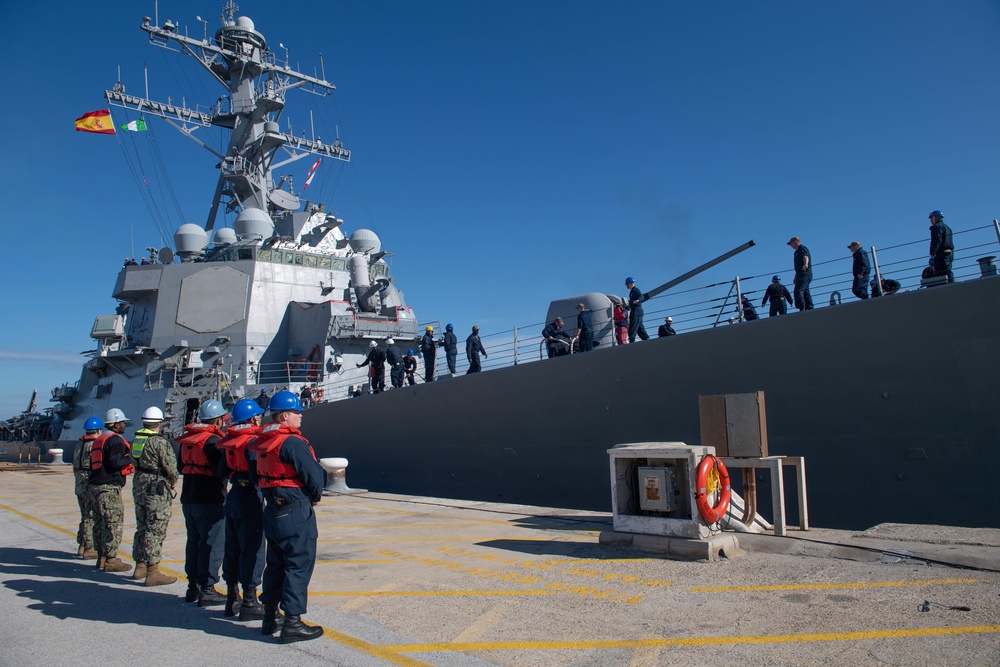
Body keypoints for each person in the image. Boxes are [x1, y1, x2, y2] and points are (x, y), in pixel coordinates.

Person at [249, 390, 327, 643]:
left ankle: (270, 617)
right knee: (298, 564)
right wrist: (314, 495)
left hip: (272, 509)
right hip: (295, 511)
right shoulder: (292, 442)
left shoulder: (261, 442)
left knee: (276, 563)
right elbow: (314, 476)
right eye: (296, 413)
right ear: (285, 416)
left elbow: (254, 476)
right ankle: (292, 622)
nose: (300, 417)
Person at [215, 398, 267, 620]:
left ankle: (231, 598)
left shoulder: (229, 441)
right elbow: (257, 472)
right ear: (254, 418)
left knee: (233, 547)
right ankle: (249, 601)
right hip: (250, 498)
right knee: (253, 549)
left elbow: (221, 471)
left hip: (234, 495)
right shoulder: (253, 441)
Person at [177, 399, 228, 607]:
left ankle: (192, 587)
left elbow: (181, 467)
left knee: (194, 543)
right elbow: (221, 471)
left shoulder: (187, 441)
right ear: (217, 421)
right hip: (210, 499)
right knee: (212, 544)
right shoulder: (213, 443)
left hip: (188, 498)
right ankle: (207, 589)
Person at [130, 406, 179, 586]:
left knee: (141, 525)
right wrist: (173, 480)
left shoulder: (137, 439)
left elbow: (132, 460)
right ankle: (153, 571)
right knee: (155, 527)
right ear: (159, 423)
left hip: (139, 483)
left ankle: (139, 566)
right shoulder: (159, 442)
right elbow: (170, 466)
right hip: (156, 486)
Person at [88, 408, 135, 573]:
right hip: (109, 487)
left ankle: (101, 556)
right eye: (123, 422)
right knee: (113, 524)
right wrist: (132, 457)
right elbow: (116, 462)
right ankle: (111, 559)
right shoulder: (115, 441)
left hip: (95, 486)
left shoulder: (100, 439)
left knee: (99, 523)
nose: (124, 425)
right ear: (116, 424)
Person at [72, 416, 103, 560]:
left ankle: (82, 545)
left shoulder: (79, 445)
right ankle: (90, 548)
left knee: (84, 514)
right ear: (98, 430)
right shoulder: (94, 445)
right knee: (90, 516)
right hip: (89, 483)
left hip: (79, 483)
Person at [787, 237, 813, 311]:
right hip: (799, 274)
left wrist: (806, 264)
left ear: (795, 241)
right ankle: (809, 307)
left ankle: (802, 307)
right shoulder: (796, 252)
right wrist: (795, 277)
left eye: (791, 243)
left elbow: (805, 256)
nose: (791, 246)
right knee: (805, 292)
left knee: (798, 291)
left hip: (804, 274)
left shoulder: (802, 248)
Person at [928, 210, 954, 283]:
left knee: (941, 272)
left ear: (936, 217)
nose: (930, 220)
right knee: (948, 270)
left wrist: (932, 252)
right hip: (949, 253)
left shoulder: (937, 227)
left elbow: (936, 240)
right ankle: (951, 282)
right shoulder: (947, 227)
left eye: (931, 218)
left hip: (941, 254)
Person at [625, 277, 649, 342]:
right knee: (639, 326)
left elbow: (641, 296)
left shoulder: (635, 290)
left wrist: (638, 300)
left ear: (629, 284)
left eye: (627, 284)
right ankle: (646, 338)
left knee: (633, 324)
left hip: (637, 310)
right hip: (635, 310)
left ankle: (632, 339)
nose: (626, 286)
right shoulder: (632, 292)